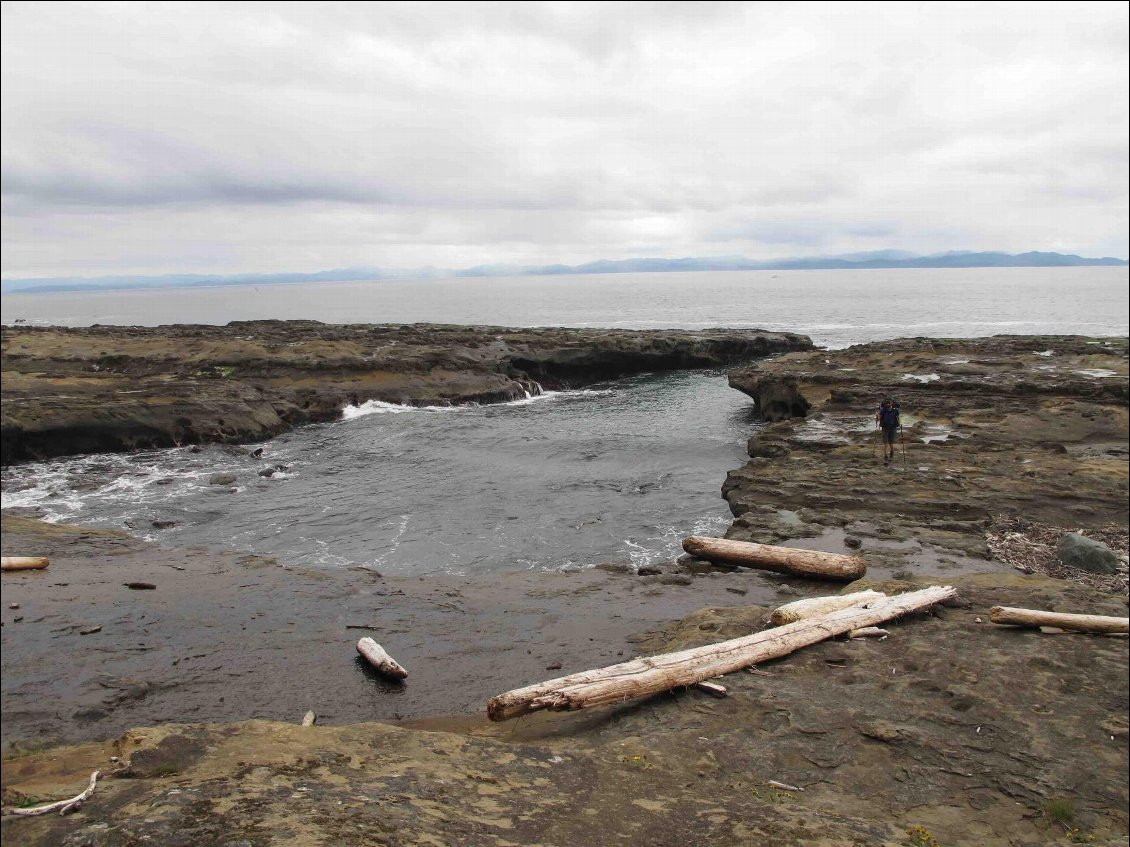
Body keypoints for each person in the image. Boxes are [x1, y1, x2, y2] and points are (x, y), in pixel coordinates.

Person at [875, 397, 900, 465]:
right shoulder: (883, 410)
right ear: (886, 405)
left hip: (893, 428)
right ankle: (885, 457)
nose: (888, 405)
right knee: (885, 444)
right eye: (887, 404)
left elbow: (898, 418)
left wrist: (900, 424)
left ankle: (891, 454)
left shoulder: (896, 410)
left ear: (891, 404)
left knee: (891, 444)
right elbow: (879, 418)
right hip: (885, 428)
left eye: (889, 404)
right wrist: (877, 417)